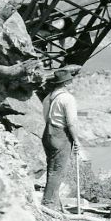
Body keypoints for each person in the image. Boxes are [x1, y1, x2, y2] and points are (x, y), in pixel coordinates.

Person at [39, 67, 83, 209]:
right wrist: (76, 140)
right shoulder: (67, 98)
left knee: (51, 167)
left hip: (48, 133)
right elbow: (71, 122)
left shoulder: (49, 97)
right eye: (70, 80)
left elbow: (45, 117)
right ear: (66, 83)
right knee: (58, 170)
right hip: (61, 134)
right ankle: (48, 203)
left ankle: (54, 201)